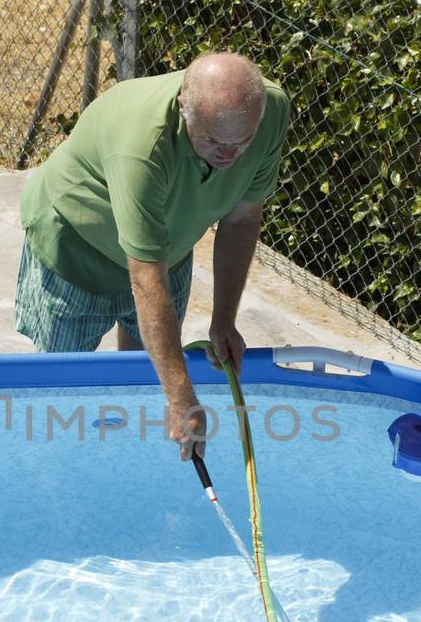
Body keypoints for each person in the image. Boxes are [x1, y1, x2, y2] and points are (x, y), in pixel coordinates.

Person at [15, 51, 290, 462]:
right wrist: (182, 401)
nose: (230, 155)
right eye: (213, 140)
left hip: (167, 245)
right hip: (76, 248)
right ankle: (52, 470)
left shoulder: (268, 112)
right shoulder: (142, 144)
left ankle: (130, 463)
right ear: (184, 108)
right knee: (61, 387)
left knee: (145, 376)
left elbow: (242, 219)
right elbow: (146, 279)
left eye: (242, 141)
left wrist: (224, 320)